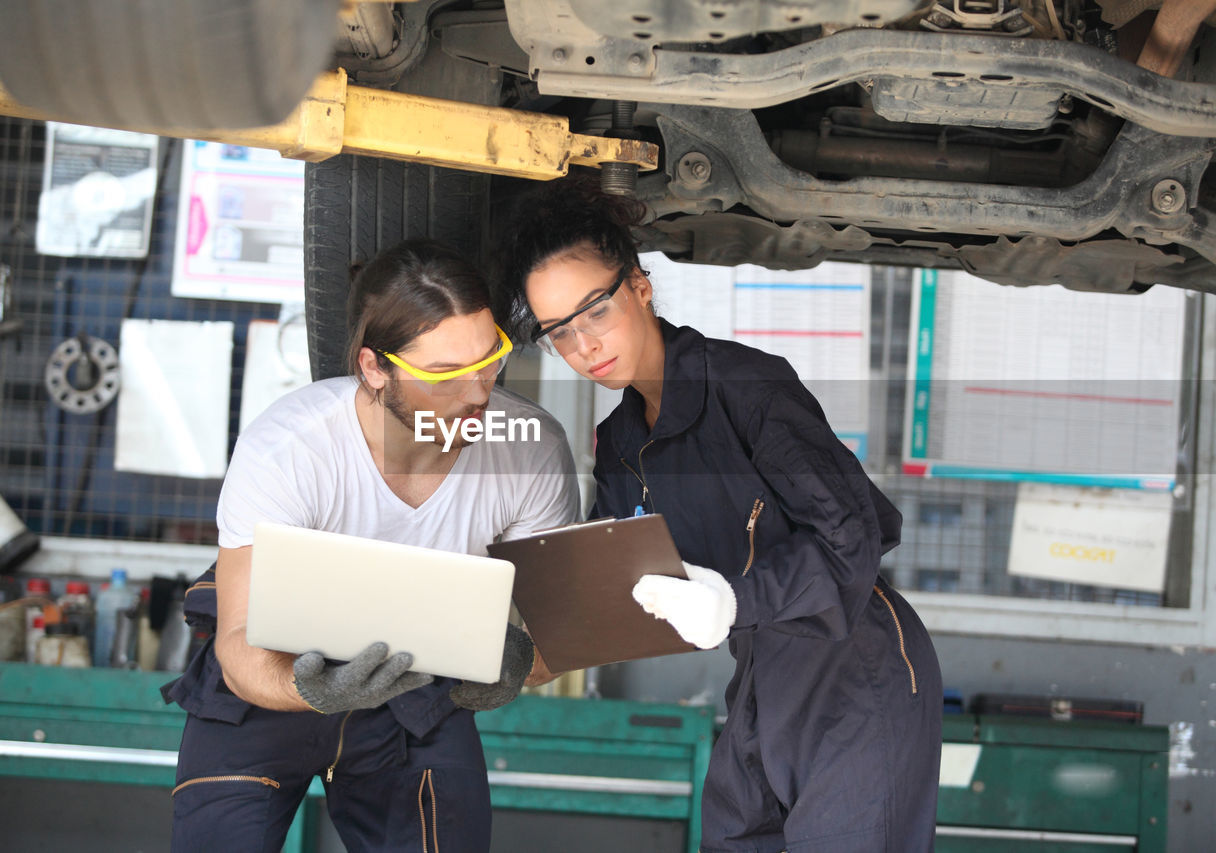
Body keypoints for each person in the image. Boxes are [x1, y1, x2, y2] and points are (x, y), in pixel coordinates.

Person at [494, 178, 942, 852]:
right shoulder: (619, 444)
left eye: (595, 311)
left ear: (639, 287)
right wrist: (504, 655)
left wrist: (733, 598)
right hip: (761, 678)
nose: (583, 344)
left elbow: (853, 539)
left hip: (858, 666)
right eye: (559, 332)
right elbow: (604, 591)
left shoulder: (746, 389)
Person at [164, 239, 581, 853]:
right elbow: (238, 642)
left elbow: (560, 633)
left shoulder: (529, 450)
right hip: (271, 680)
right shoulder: (291, 447)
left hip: (418, 694)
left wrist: (523, 664)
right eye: (442, 375)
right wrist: (310, 690)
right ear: (374, 369)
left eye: (488, 360)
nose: (476, 394)